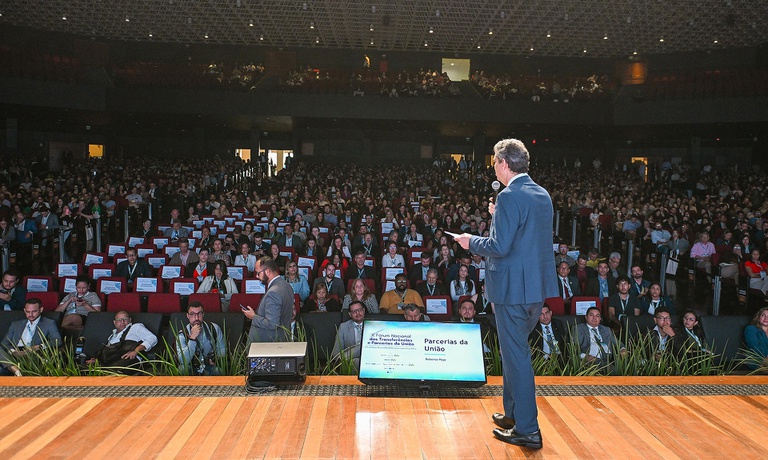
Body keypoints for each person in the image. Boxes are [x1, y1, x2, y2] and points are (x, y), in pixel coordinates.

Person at [456, 138, 557, 449]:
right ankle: (513, 414)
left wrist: (469, 241)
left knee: (517, 357)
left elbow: (499, 247)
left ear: (504, 164)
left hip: (511, 291)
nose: (493, 167)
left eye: (494, 162)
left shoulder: (510, 197)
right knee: (513, 354)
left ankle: (528, 430)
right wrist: (498, 214)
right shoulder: (541, 194)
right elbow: (525, 238)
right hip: (534, 290)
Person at [0, 298, 62, 376]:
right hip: (15, 354)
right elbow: (4, 343)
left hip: (33, 354)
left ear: (41, 309)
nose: (30, 314)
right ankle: (17, 371)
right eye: (28, 312)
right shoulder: (16, 324)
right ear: (24, 310)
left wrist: (38, 347)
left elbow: (57, 340)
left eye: (34, 311)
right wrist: (13, 351)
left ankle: (16, 370)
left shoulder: (49, 323)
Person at [242, 257, 294, 342]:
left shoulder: (273, 292)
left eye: (258, 273)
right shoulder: (287, 286)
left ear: (267, 271)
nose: (256, 276)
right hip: (281, 341)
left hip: (267, 345)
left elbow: (272, 324)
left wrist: (253, 316)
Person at [88, 310, 158, 372]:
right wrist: (96, 361)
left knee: (109, 372)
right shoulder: (112, 336)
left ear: (130, 320)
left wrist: (136, 351)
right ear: (114, 322)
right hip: (111, 364)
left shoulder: (135, 327)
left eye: (125, 319)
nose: (122, 322)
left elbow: (152, 338)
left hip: (128, 361)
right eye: (119, 320)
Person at [176, 301, 226, 376]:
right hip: (191, 366)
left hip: (209, 365)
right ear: (187, 316)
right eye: (192, 314)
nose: (196, 318)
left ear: (203, 314)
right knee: (182, 369)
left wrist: (215, 360)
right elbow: (183, 360)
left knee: (218, 371)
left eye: (199, 314)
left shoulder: (214, 328)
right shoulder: (182, 334)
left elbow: (222, 349)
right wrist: (192, 338)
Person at [330, 300, 366, 371]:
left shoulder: (373, 325)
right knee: (355, 362)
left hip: (369, 360)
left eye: (359, 310)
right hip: (350, 362)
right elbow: (336, 352)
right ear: (350, 314)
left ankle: (343, 358)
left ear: (364, 310)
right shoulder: (343, 327)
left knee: (362, 346)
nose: (357, 313)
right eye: (354, 311)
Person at [744, 307, 768, 372]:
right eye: (763, 315)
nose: (766, 318)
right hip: (756, 360)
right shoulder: (751, 329)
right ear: (758, 317)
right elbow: (755, 347)